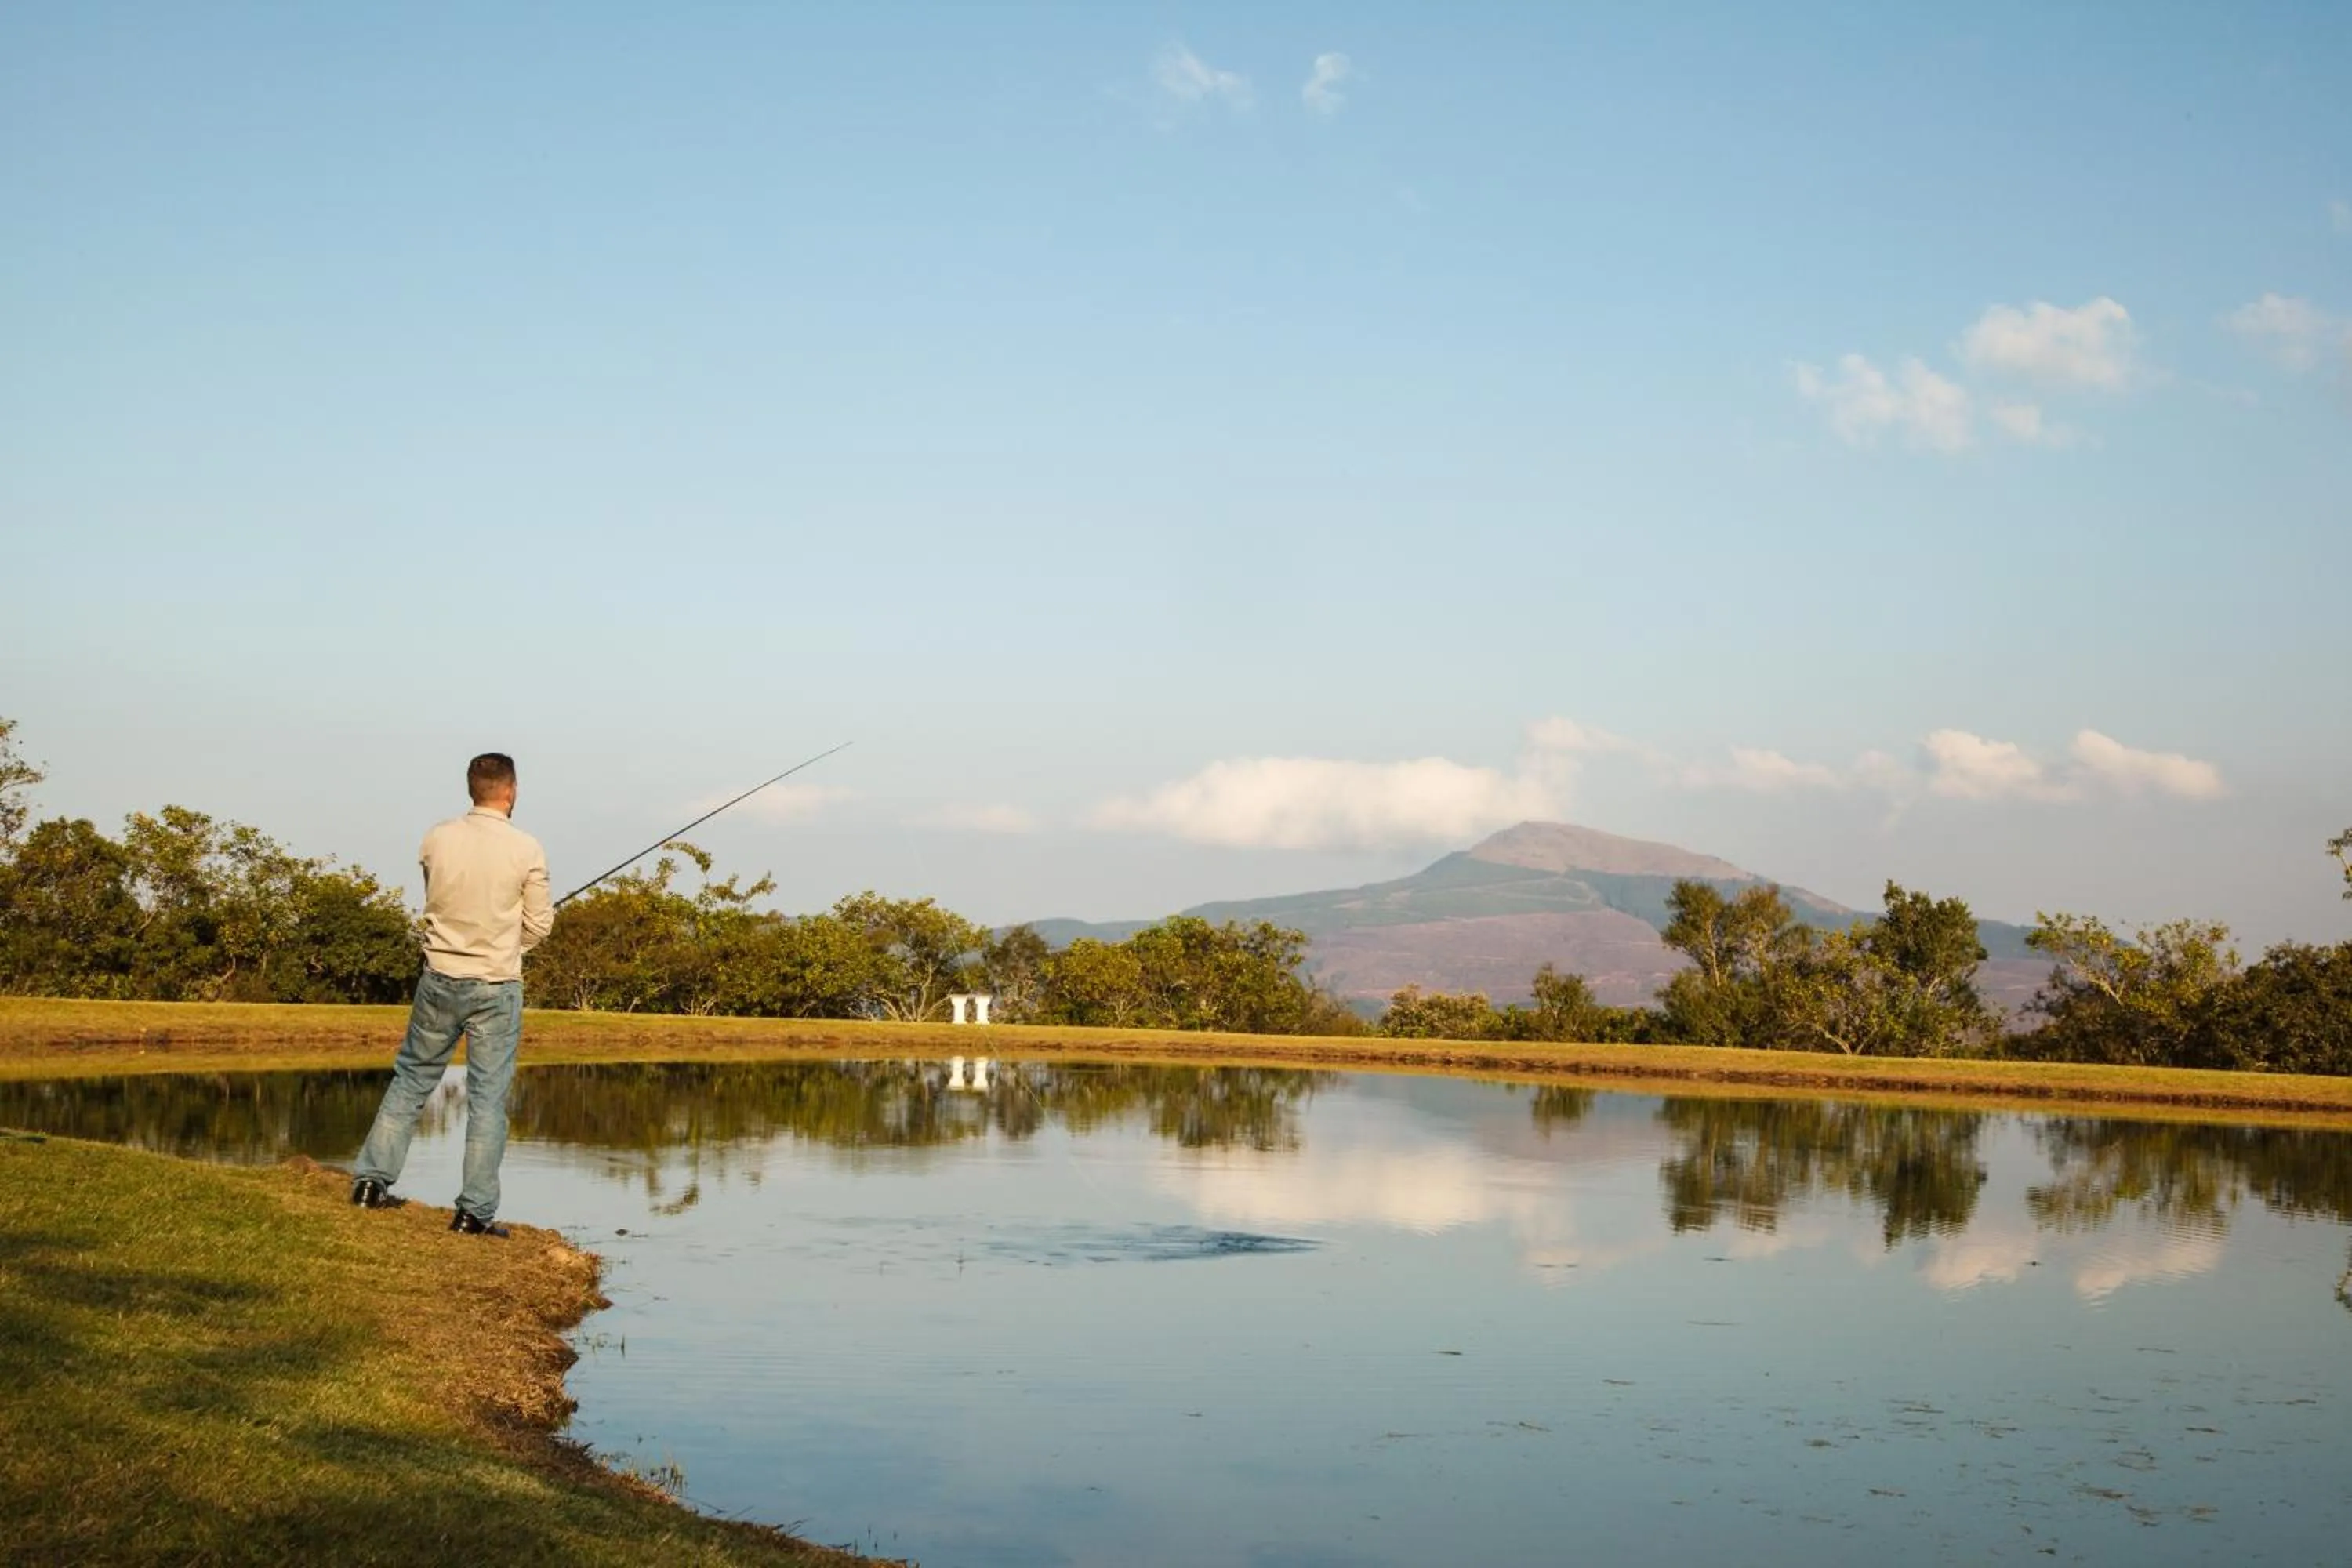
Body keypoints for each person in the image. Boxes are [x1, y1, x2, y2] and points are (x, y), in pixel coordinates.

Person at [349, 752, 553, 1237]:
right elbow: (540, 924)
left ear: (472, 789)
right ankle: (474, 1212)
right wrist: (507, 944)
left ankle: (369, 1184)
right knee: (487, 1099)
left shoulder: (436, 838)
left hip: (439, 976)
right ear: (512, 790)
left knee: (412, 1079)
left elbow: (435, 897)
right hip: (496, 985)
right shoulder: (527, 848)